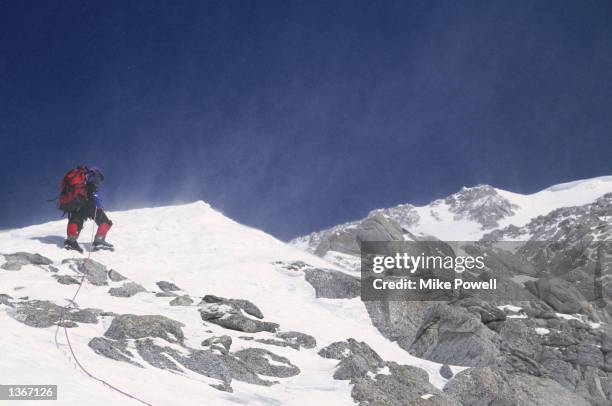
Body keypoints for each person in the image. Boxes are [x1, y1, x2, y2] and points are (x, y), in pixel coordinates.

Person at [63, 167, 114, 252]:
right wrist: (98, 205)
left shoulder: (79, 179)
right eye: (100, 177)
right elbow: (93, 191)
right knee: (105, 222)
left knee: (76, 220)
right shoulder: (94, 175)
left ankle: (71, 240)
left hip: (76, 203)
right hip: (88, 203)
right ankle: (99, 241)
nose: (99, 180)